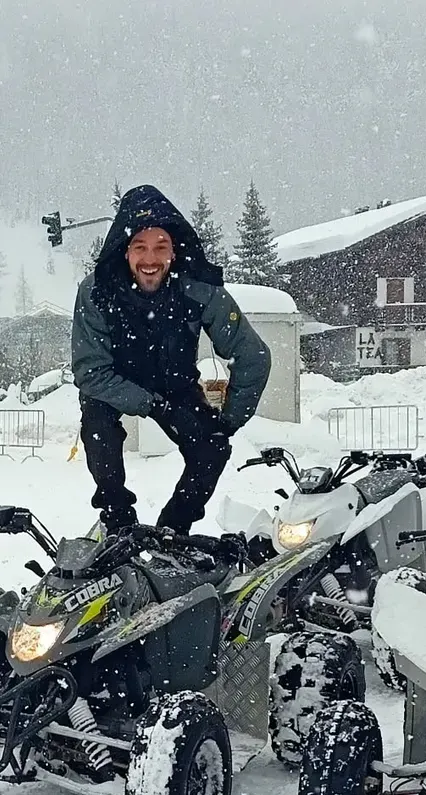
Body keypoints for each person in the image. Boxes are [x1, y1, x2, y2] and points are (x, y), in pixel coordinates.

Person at [72, 184, 271, 534]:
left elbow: (252, 355)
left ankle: (172, 534)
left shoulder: (198, 288)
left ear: (174, 252)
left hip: (175, 386)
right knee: (98, 429)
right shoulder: (97, 291)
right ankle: (119, 524)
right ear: (124, 250)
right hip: (112, 385)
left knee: (212, 449)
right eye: (140, 247)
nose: (150, 259)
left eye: (160, 248)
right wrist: (149, 404)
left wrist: (228, 422)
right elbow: (91, 372)